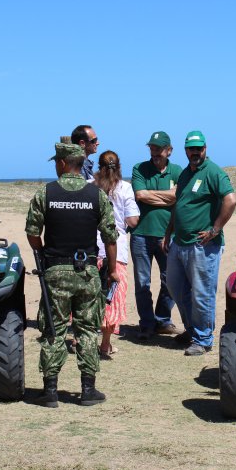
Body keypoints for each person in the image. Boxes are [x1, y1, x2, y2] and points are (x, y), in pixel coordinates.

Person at [26, 142, 119, 406]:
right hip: (87, 272)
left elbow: (33, 232)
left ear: (64, 164)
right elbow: (110, 236)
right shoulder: (96, 195)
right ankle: (88, 390)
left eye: (57, 161)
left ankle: (51, 391)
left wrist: (44, 253)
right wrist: (112, 270)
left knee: (54, 328)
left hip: (55, 271)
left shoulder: (46, 193)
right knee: (88, 330)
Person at [163, 131, 236, 356]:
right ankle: (192, 329)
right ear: (185, 150)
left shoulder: (213, 172)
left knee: (202, 293)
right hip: (179, 243)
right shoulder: (186, 173)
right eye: (191, 148)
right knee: (176, 288)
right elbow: (179, 205)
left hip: (202, 246)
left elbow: (230, 199)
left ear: (205, 148)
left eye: (199, 148)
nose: (195, 152)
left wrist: (215, 229)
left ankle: (203, 339)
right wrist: (169, 233)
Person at [130, 131, 184, 340]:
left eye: (159, 149)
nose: (154, 152)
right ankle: (147, 324)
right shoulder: (139, 169)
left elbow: (178, 197)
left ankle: (162, 320)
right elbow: (140, 195)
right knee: (142, 283)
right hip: (141, 235)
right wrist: (167, 199)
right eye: (152, 148)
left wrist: (156, 197)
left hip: (167, 235)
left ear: (169, 150)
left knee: (170, 280)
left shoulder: (178, 171)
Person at [93, 151, 140, 358]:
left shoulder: (89, 186)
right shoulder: (125, 188)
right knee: (112, 299)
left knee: (87, 298)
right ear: (119, 166)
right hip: (116, 251)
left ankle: (79, 340)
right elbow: (132, 221)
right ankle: (105, 344)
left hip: (91, 250)